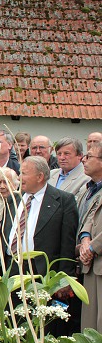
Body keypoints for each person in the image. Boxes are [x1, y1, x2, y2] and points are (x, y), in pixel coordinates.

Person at [3, 156, 78, 335]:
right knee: (13, 323)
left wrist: (63, 280)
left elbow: (67, 243)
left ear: (40, 177)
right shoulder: (13, 199)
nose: (20, 178)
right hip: (11, 269)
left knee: (39, 328)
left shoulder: (63, 201)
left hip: (40, 274)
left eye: (24, 173)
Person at [77, 142, 102, 332]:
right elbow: (90, 216)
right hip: (91, 264)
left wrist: (93, 247)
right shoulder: (90, 188)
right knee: (90, 326)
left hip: (97, 256)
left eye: (89, 156)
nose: (83, 160)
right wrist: (85, 239)